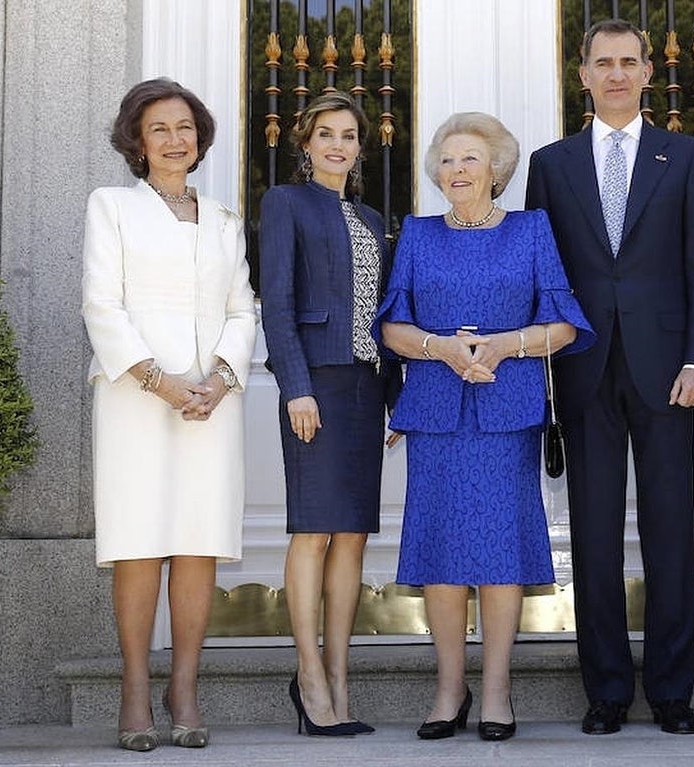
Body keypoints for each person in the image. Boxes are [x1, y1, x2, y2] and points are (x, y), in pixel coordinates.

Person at [525, 19, 694, 736]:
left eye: (628, 62)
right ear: (582, 75)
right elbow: (542, 275)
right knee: (595, 535)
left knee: (673, 531)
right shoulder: (551, 164)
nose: (615, 73)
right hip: (582, 368)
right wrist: (540, 367)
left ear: (648, 73)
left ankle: (673, 690)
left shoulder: (687, 157)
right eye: (602, 62)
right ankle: (606, 688)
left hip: (668, 370)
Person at [378, 112, 593, 742]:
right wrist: (442, 349)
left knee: (501, 555)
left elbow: (563, 325)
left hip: (506, 412)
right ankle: (450, 689)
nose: (457, 170)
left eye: (470, 159)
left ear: (497, 169)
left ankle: (497, 689)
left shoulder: (531, 230)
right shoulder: (417, 235)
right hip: (438, 413)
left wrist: (502, 346)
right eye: (446, 160)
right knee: (442, 552)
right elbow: (392, 328)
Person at [82, 78, 257, 751]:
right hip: (135, 397)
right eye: (159, 128)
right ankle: (134, 687)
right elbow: (102, 304)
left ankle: (184, 686)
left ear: (200, 137)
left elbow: (243, 309)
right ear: (137, 140)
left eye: (185, 127)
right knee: (138, 540)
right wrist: (159, 382)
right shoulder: (112, 206)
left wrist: (217, 378)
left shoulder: (222, 219)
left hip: (211, 404)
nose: (174, 139)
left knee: (198, 538)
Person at [259, 91, 399, 737]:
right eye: (326, 134)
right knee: (312, 529)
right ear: (305, 143)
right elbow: (278, 303)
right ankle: (308, 674)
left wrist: (396, 398)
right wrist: (296, 386)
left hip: (366, 388)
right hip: (315, 384)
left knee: (353, 535)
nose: (338, 145)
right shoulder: (285, 203)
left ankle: (342, 676)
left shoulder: (371, 217)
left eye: (348, 135)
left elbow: (386, 316)